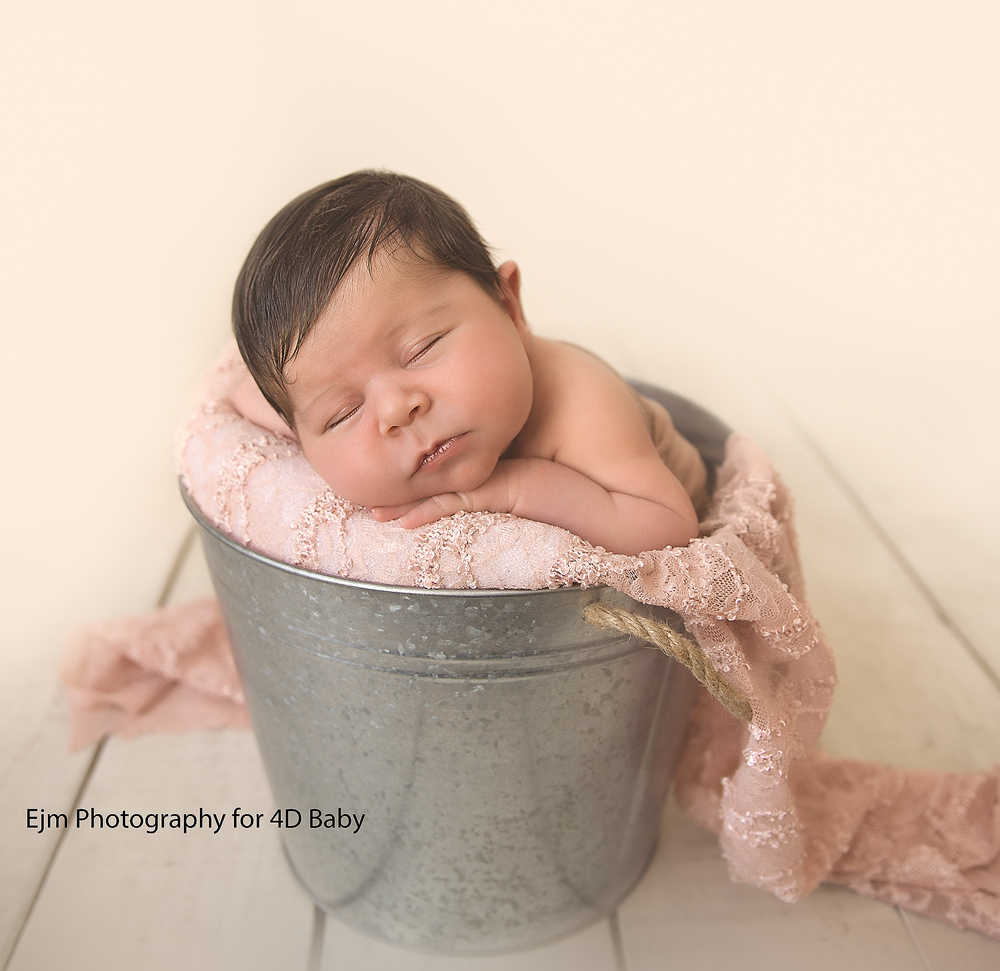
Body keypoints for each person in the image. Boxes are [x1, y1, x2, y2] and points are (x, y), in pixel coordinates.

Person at [232, 171, 707, 556]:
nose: (396, 410)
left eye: (422, 348)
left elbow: (669, 529)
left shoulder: (580, 398)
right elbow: (254, 398)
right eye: (342, 412)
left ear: (508, 304)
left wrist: (511, 489)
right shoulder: (308, 418)